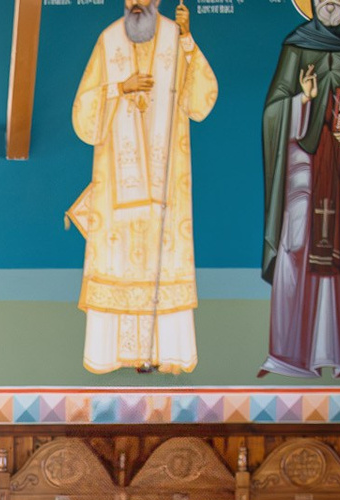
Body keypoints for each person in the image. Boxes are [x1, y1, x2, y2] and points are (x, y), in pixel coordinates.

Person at [68, 0, 217, 374]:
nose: (136, 4)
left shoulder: (176, 37)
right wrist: (120, 87)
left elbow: (200, 103)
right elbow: (84, 115)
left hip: (168, 188)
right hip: (116, 190)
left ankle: (168, 354)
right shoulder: (108, 40)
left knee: (164, 265)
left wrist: (188, 40)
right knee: (116, 264)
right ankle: (111, 354)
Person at [259, 0, 340, 380]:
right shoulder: (296, 44)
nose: (329, 2)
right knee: (295, 253)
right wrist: (302, 100)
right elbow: (272, 113)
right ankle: (290, 355)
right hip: (304, 171)